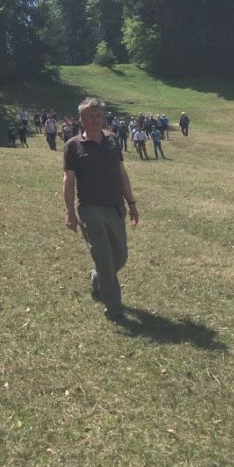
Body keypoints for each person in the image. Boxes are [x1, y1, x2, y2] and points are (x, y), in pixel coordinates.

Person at [63, 98, 139, 321]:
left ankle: (98, 277)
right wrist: (70, 212)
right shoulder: (73, 146)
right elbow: (68, 180)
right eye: (91, 116)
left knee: (120, 257)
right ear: (82, 119)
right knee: (105, 258)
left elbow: (121, 173)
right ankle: (114, 309)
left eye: (98, 115)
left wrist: (131, 203)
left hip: (115, 207)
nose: (96, 120)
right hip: (90, 209)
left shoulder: (112, 140)